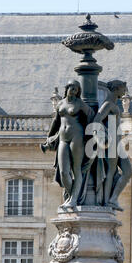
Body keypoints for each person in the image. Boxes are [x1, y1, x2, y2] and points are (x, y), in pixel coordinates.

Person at [41, 80, 94, 208]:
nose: (74, 91)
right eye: (72, 88)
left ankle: (73, 199)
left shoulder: (80, 104)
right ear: (67, 88)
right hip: (63, 138)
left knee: (76, 169)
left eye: (76, 89)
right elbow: (56, 122)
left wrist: (90, 135)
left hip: (77, 136)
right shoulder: (61, 104)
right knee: (64, 172)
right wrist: (49, 138)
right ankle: (72, 196)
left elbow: (91, 115)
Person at [93, 80, 132, 210]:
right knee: (111, 172)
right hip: (111, 142)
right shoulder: (108, 105)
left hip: (117, 142)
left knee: (128, 171)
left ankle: (113, 198)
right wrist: (103, 137)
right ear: (117, 89)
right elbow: (96, 121)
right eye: (123, 89)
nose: (125, 92)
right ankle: (107, 201)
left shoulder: (113, 104)